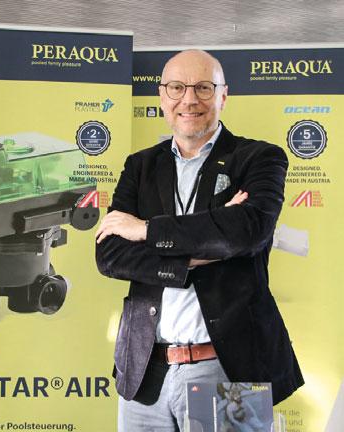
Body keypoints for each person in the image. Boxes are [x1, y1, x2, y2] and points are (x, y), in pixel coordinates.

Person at [95, 49, 303, 432]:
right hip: (144, 373)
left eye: (204, 88)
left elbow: (248, 231)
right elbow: (110, 254)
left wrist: (146, 231)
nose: (189, 99)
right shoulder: (139, 166)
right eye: (177, 87)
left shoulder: (259, 158)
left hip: (230, 368)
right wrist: (200, 251)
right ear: (162, 96)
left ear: (223, 95)